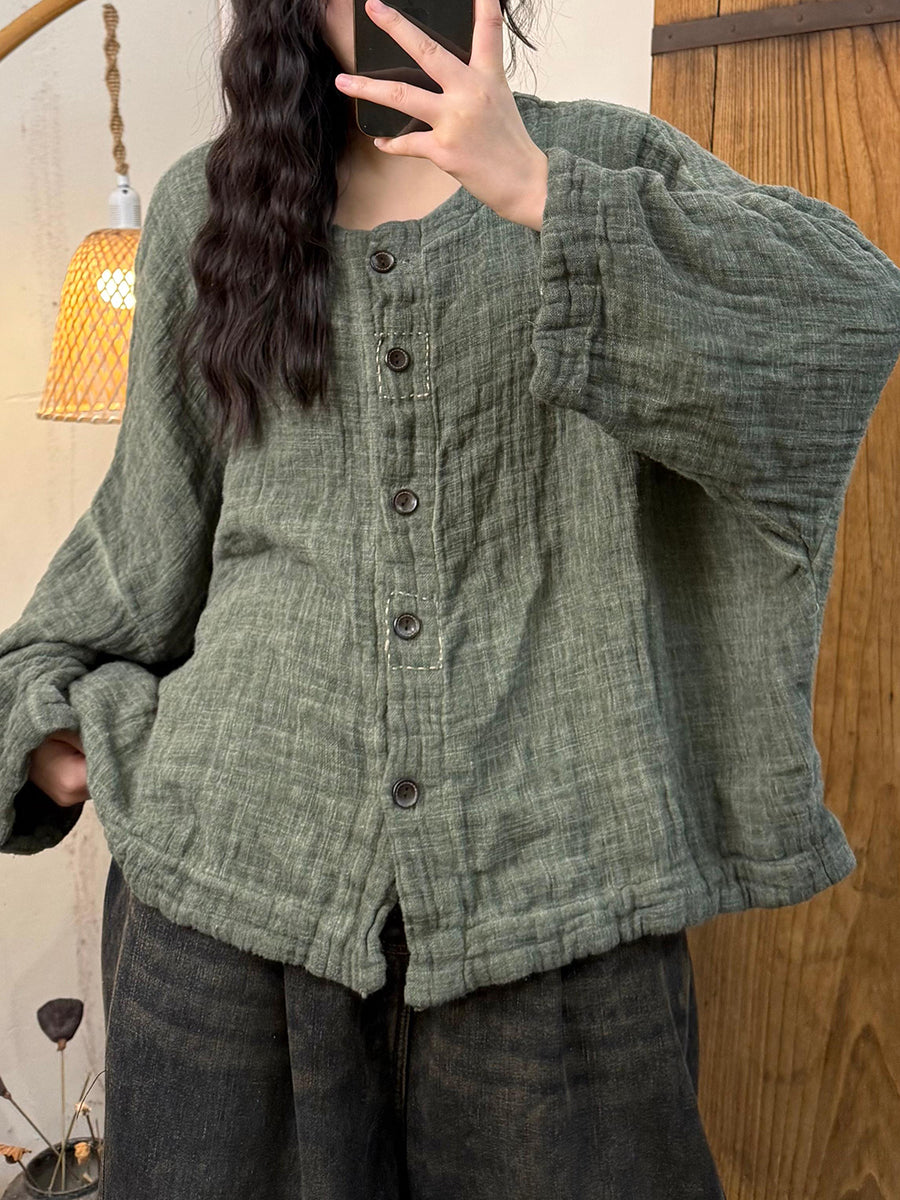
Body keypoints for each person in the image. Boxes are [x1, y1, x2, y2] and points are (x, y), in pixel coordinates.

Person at [3, 0, 900, 1195]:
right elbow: (146, 526)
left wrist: (537, 189)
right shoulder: (205, 208)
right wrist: (46, 726)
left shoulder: (604, 157)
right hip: (227, 919)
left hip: (561, 926)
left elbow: (844, 325)